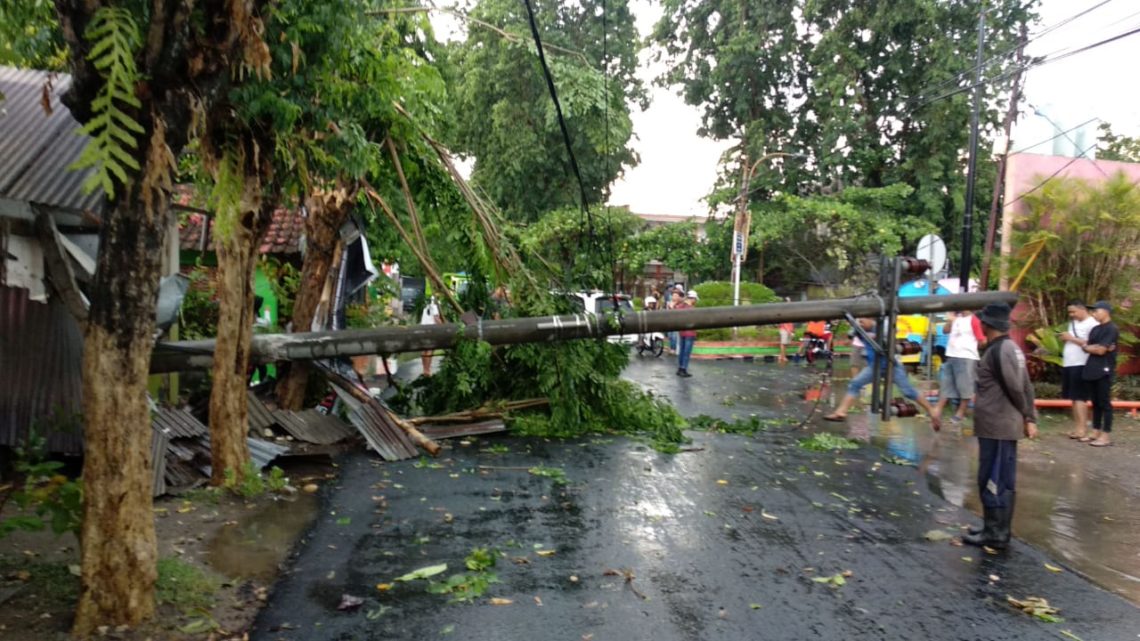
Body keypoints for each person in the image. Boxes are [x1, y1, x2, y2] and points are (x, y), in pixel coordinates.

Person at [963, 302, 1037, 549]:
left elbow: (1016, 387)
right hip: (995, 426)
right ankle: (992, 526)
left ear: (987, 325)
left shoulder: (1000, 351)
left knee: (995, 479)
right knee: (991, 477)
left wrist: (1028, 415)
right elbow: (1026, 384)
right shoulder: (1009, 348)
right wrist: (1030, 416)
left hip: (999, 425)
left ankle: (996, 533)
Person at [822, 317, 941, 430]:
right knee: (855, 383)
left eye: (863, 320)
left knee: (908, 392)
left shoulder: (883, 326)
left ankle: (931, 410)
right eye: (859, 320)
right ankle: (841, 412)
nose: (861, 322)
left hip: (891, 365)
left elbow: (894, 334)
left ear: (872, 319)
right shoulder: (858, 327)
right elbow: (850, 337)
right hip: (874, 366)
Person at [933, 309, 986, 424]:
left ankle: (960, 413)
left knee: (965, 386)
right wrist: (950, 320)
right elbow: (945, 330)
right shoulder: (956, 318)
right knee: (946, 384)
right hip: (951, 354)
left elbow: (981, 340)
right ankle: (938, 409)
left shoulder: (974, 320)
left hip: (966, 356)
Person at [1058, 300, 1099, 439]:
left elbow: (1094, 344)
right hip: (1069, 363)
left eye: (1073, 311)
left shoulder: (1093, 323)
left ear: (1082, 309)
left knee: (1080, 397)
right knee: (1074, 397)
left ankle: (1083, 429)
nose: (1071, 315)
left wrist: (1072, 338)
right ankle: (1077, 428)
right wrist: (1067, 339)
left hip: (1082, 363)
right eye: (1070, 312)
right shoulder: (1073, 323)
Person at [1081, 300, 1119, 447]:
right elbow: (1087, 347)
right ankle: (1095, 431)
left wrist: (1093, 347)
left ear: (1106, 311)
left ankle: (1105, 435)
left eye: (1096, 310)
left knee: (1104, 403)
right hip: (1092, 368)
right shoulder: (1095, 329)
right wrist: (1091, 347)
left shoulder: (1112, 329)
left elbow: (1101, 350)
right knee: (1095, 402)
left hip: (1105, 369)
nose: (1094, 313)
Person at [675, 290, 699, 377]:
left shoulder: (681, 306)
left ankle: (680, 368)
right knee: (686, 352)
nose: (695, 301)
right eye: (695, 299)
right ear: (692, 299)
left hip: (682, 332)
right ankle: (683, 369)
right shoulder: (692, 309)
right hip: (690, 333)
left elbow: (675, 309)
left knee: (682, 351)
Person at [420, 295, 442, 377]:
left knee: (423, 349)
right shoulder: (435, 306)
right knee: (429, 350)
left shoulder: (426, 305)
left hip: (422, 328)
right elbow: (436, 318)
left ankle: (424, 369)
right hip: (431, 330)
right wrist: (443, 326)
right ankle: (428, 370)